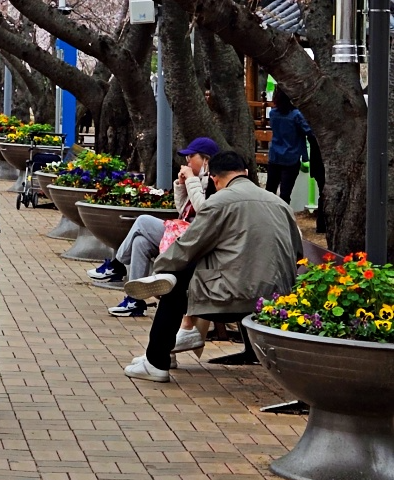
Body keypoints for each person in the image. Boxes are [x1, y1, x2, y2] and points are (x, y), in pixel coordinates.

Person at [122, 149, 304, 381]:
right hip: (277, 296)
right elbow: (298, 253)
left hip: (233, 297)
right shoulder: (279, 203)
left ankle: (157, 361)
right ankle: (171, 346)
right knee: (182, 273)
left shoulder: (219, 202)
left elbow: (189, 244)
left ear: (215, 179)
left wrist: (161, 268)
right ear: (246, 173)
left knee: (172, 283)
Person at [97, 137, 217, 316]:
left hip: (196, 240)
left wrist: (191, 181)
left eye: (191, 156)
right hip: (185, 233)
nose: (187, 161)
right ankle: (134, 300)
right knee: (140, 242)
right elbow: (183, 210)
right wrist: (181, 186)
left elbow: (203, 210)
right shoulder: (197, 179)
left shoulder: (214, 181)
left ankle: (118, 264)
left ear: (206, 159)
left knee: (143, 220)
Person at [266, 87, 310, 203]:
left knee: (269, 190)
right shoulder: (296, 115)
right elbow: (308, 131)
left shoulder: (273, 113)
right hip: (291, 156)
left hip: (275, 155)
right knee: (285, 193)